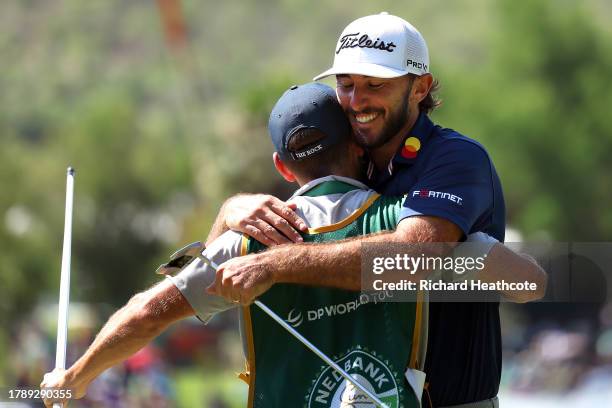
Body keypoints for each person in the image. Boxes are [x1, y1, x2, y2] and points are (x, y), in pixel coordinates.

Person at [41, 83, 544, 408]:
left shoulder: (248, 245)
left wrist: (75, 378)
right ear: (357, 145)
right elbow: (528, 282)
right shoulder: (411, 225)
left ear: (282, 167)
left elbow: (145, 313)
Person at [205, 13, 518, 408]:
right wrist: (230, 210)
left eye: (375, 85)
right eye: (346, 85)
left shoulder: (455, 158)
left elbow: (411, 257)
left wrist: (273, 265)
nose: (356, 102)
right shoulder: (350, 160)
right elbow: (205, 276)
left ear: (420, 87)